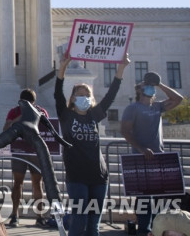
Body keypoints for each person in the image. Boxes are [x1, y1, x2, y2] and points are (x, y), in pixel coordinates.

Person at [56, 53, 130, 236]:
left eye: (87, 95)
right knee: (79, 219)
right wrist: (63, 67)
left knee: (93, 225)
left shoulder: (94, 116)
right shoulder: (66, 116)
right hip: (77, 176)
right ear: (72, 98)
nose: (84, 98)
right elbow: (57, 92)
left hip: (99, 176)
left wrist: (121, 68)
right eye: (80, 95)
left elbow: (111, 95)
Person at [121, 71, 184, 236]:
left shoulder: (158, 106)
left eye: (150, 85)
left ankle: (157, 231)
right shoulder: (132, 108)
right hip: (141, 159)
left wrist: (159, 84)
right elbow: (126, 132)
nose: (149, 87)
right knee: (144, 200)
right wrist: (141, 149)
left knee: (159, 201)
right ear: (139, 90)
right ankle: (143, 231)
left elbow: (179, 99)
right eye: (146, 85)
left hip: (158, 159)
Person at [3, 88, 49, 228]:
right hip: (19, 151)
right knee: (18, 183)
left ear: (34, 103)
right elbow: (5, 129)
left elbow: (48, 130)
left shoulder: (41, 112)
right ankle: (15, 215)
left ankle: (39, 216)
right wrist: (20, 117)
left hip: (36, 152)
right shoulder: (14, 111)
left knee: (37, 184)